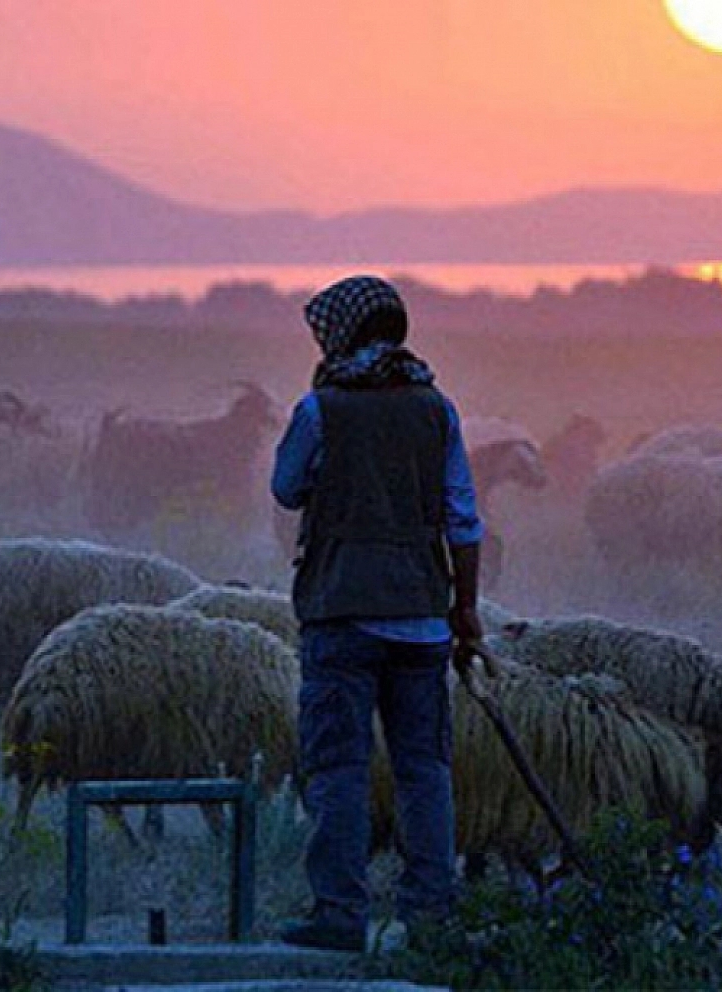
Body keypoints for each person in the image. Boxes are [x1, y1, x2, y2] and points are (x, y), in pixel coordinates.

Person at [272, 274, 484, 953]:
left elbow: (285, 488)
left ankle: (340, 913)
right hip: (422, 615)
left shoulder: (320, 409)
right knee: (426, 768)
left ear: (337, 335)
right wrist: (466, 609)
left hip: (341, 611)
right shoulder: (436, 408)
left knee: (339, 766)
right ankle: (431, 914)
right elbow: (463, 520)